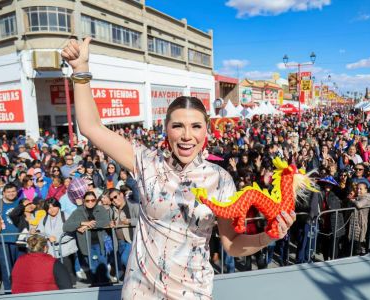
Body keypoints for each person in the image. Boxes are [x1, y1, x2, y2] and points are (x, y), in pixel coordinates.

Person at [62, 37, 295, 299]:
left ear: (206, 130)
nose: (187, 136)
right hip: (140, 293)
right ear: (166, 129)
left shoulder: (220, 179)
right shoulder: (146, 162)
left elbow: (232, 245)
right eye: (178, 126)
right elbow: (91, 128)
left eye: (195, 126)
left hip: (193, 293)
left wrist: (270, 236)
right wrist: (80, 70)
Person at [63, 191, 111, 286]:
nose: (90, 202)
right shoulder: (78, 212)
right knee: (93, 267)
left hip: (100, 243)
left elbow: (105, 221)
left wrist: (88, 226)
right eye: (87, 200)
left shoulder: (101, 209)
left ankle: (105, 286)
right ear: (84, 201)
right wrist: (82, 223)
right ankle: (96, 286)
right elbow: (66, 226)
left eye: (93, 200)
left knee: (102, 266)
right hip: (86, 244)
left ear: (96, 200)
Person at [36, 198, 78, 284]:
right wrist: (47, 237)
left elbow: (72, 231)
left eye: (54, 206)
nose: (52, 210)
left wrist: (57, 239)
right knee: (56, 274)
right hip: (52, 252)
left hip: (66, 250)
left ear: (58, 206)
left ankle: (71, 291)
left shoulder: (66, 216)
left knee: (68, 273)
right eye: (49, 208)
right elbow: (40, 232)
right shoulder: (44, 219)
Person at [0, 183, 22, 291]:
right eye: (8, 192)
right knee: (7, 269)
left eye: (13, 191)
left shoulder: (20, 202)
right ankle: (9, 291)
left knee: (20, 268)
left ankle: (21, 290)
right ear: (4, 193)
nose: (11, 194)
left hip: (20, 240)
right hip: (3, 241)